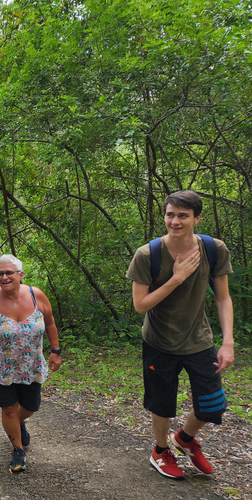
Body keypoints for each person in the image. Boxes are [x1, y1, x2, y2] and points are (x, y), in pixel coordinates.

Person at [126, 190, 234, 480]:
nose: (175, 221)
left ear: (197, 218)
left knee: (213, 403)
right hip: (158, 341)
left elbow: (223, 298)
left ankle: (184, 439)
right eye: (170, 214)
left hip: (199, 340)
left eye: (182, 216)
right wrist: (176, 278)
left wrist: (228, 341)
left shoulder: (213, 249)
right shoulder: (148, 255)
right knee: (161, 403)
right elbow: (140, 305)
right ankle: (161, 451)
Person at [0, 254, 61, 473]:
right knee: (8, 409)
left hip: (31, 364)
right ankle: (17, 449)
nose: (4, 277)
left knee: (31, 406)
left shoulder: (36, 295)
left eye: (9, 272)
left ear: (20, 275)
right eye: (0, 273)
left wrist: (56, 351)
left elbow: (49, 323)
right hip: (0, 367)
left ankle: (18, 424)